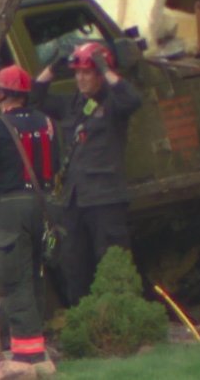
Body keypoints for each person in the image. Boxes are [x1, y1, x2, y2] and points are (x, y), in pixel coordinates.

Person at [31, 42, 142, 306]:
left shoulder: (114, 105)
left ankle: (120, 320)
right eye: (77, 72)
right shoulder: (72, 105)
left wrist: (106, 68)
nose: (80, 78)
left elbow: (133, 99)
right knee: (74, 266)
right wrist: (53, 68)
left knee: (112, 262)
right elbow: (34, 99)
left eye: (87, 72)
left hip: (105, 199)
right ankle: (83, 317)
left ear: (100, 75)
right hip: (74, 200)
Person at [0, 64, 59, 364]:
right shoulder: (49, 123)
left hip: (11, 206)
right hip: (46, 204)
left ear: (1, 93)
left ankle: (28, 352)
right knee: (37, 272)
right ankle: (38, 339)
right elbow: (57, 165)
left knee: (14, 278)